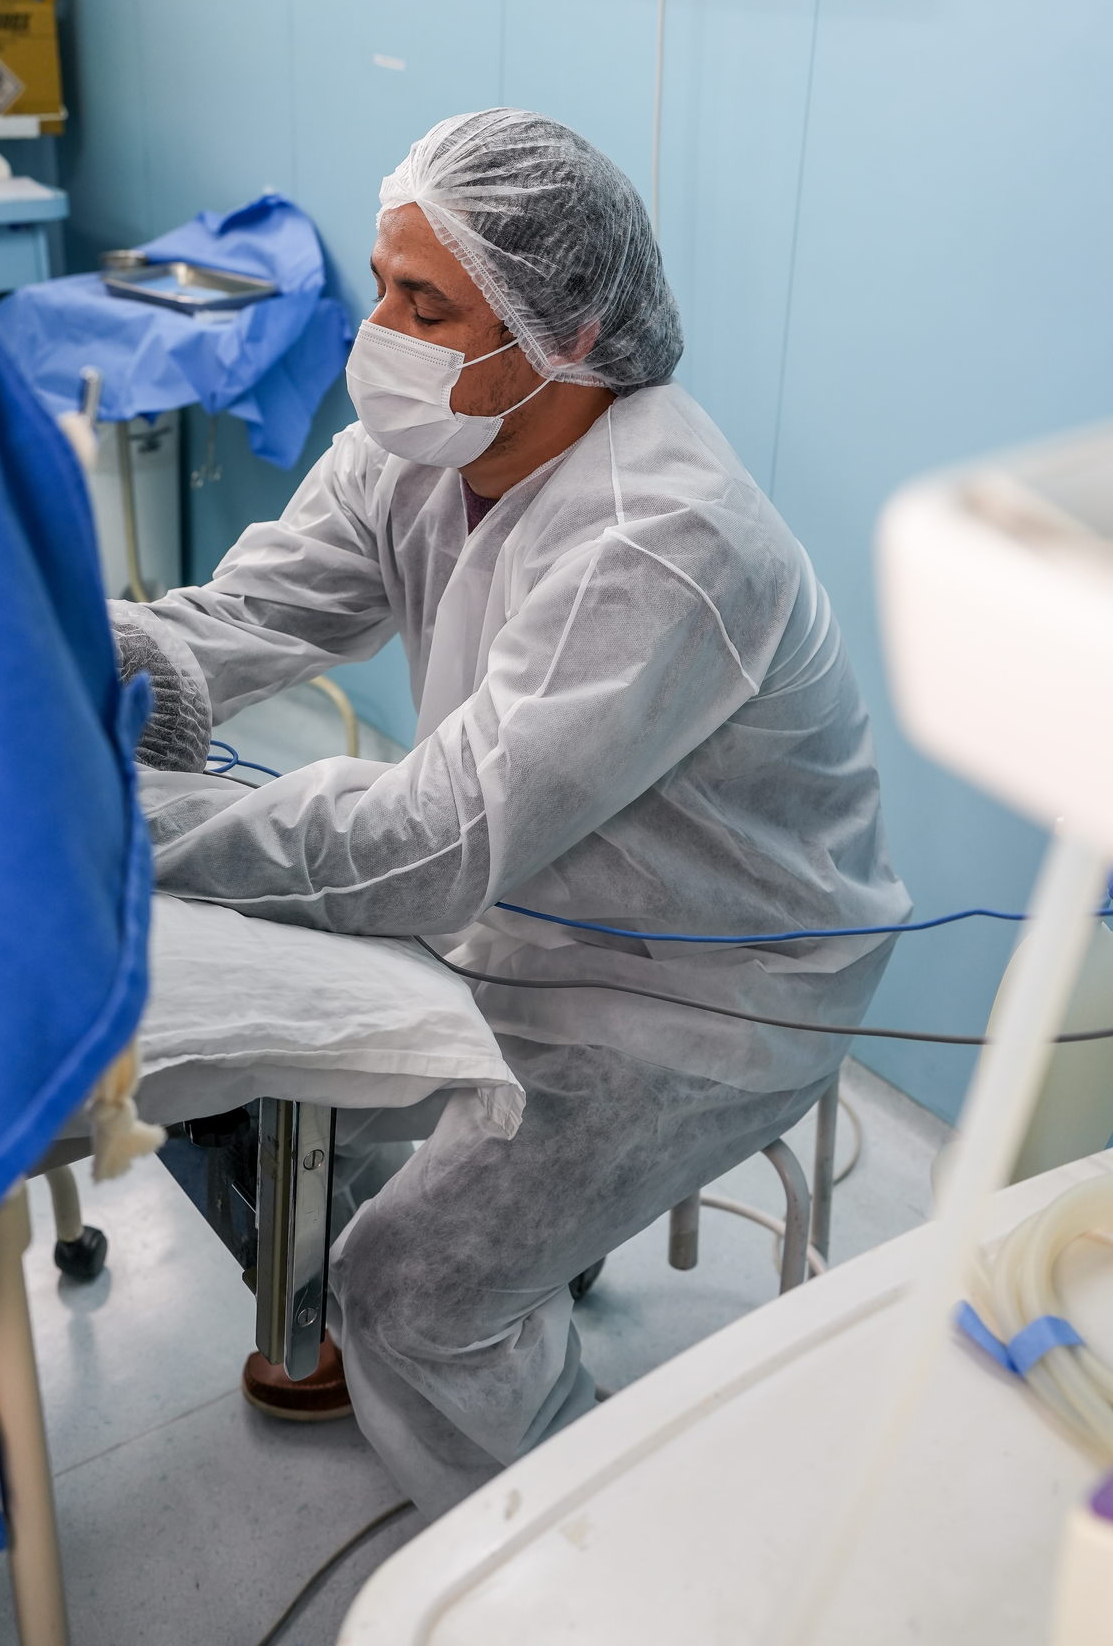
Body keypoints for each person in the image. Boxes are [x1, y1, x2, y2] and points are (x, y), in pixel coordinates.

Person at [112, 108, 910, 1519]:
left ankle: (556, 1563)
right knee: (293, 1098)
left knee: (406, 1290)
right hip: (531, 908)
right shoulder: (426, 443)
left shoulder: (661, 537)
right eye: (383, 286)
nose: (382, 333)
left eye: (427, 306)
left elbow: (434, 844)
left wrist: (135, 833)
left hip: (709, 989)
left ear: (571, 330)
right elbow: (248, 617)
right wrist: (78, 659)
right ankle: (520, 1276)